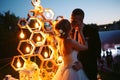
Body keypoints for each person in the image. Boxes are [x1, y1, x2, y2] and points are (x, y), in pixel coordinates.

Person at [70, 8, 101, 80]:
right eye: (71, 20)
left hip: (88, 70)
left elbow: (96, 51)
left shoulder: (92, 31)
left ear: (81, 20)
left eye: (75, 20)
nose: (72, 22)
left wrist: (83, 64)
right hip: (73, 69)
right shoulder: (70, 31)